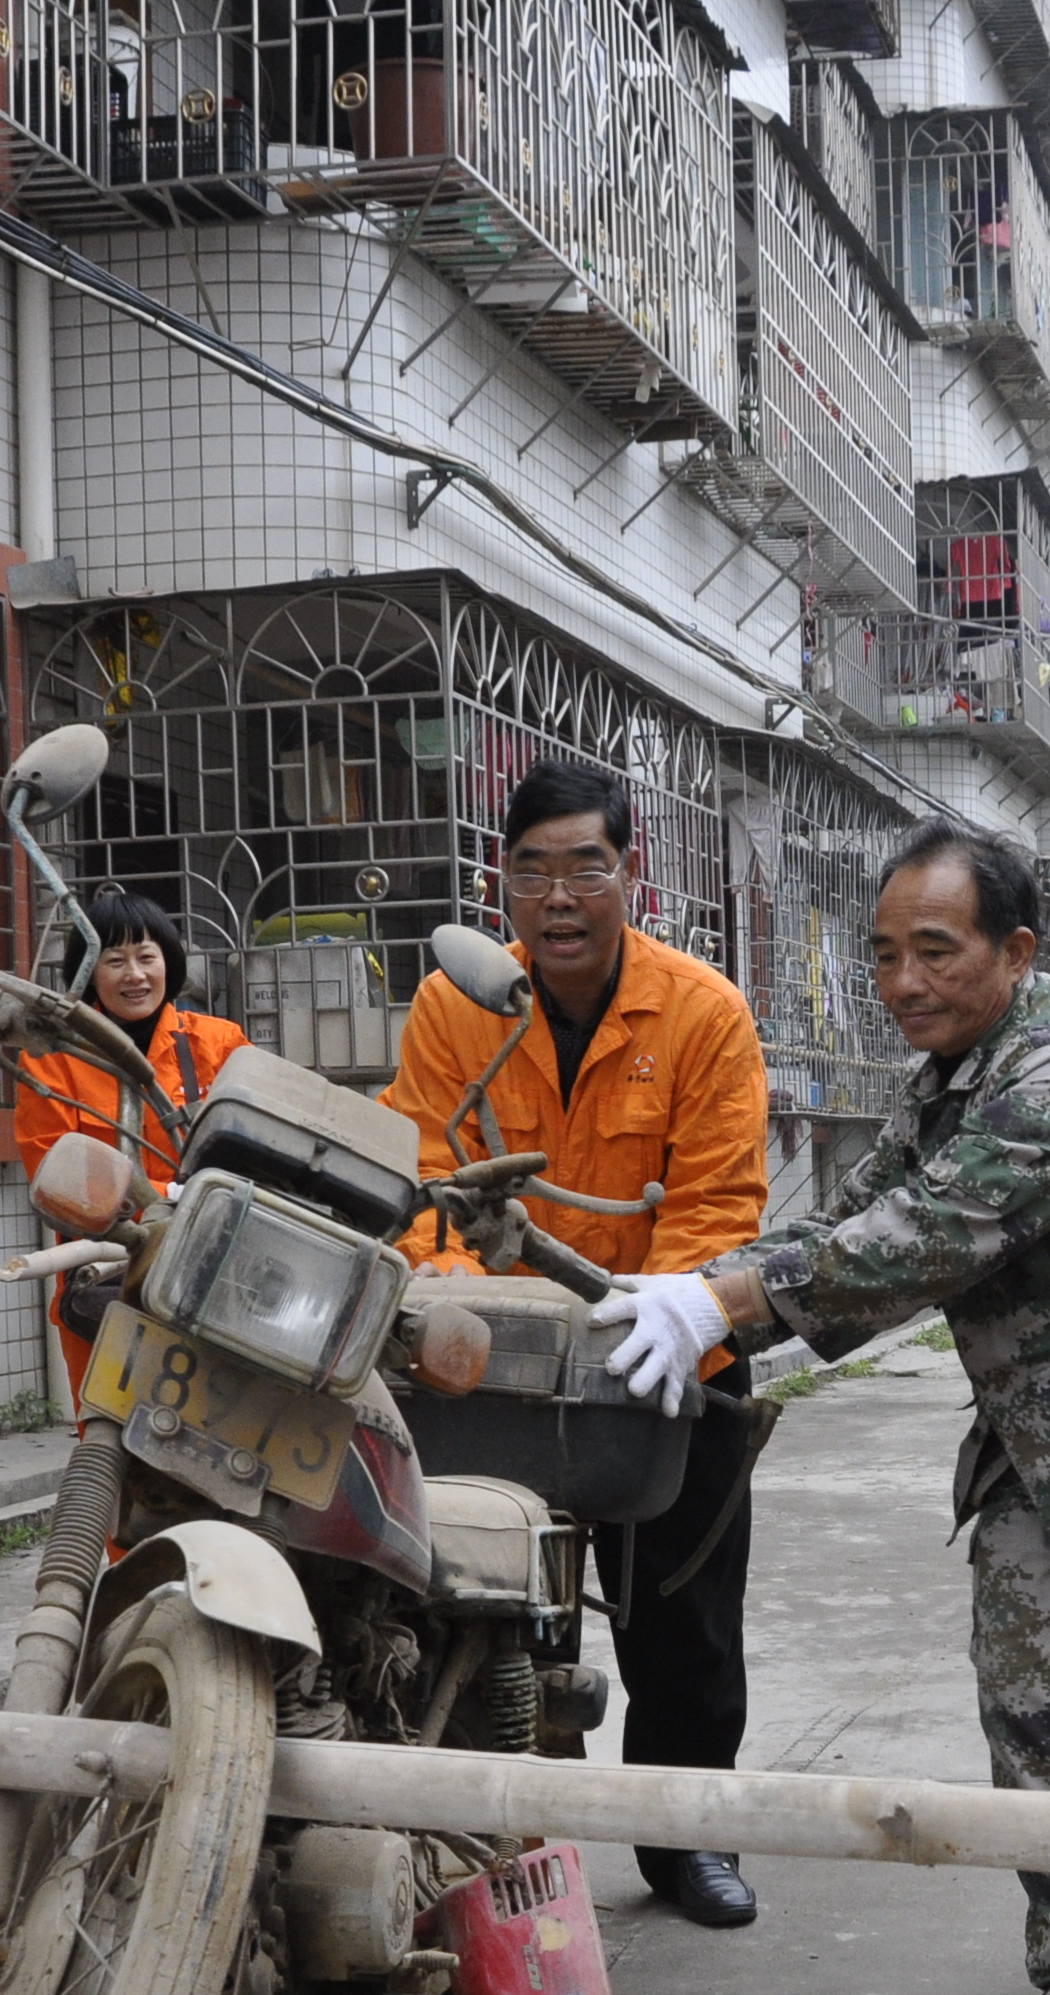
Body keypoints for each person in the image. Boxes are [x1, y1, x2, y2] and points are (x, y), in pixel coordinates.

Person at [594, 822, 1050, 1995]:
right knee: (1033, 1696)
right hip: (1037, 1450)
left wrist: (725, 1304)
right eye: (882, 956)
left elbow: (930, 1234)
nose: (903, 982)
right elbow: (865, 1223)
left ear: (1016, 952)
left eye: (935, 950)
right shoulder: (942, 1087)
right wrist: (696, 1292)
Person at [384, 760, 772, 1931]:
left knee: (685, 1627)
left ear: (630, 873)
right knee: (471, 1611)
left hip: (662, 1357)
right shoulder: (455, 1005)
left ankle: (687, 1840)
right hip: (491, 1368)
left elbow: (718, 1206)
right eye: (532, 870)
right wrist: (455, 1308)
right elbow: (422, 1184)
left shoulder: (702, 1010)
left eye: (584, 868)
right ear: (502, 882)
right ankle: (485, 1846)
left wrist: (661, 1317)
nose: (557, 897)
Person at [12, 887, 251, 1396]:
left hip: (219, 1269)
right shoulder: (52, 1058)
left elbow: (265, 1138)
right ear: (87, 972)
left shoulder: (220, 1042)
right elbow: (55, 1172)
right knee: (113, 1445)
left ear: (170, 961)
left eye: (147, 956)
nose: (135, 974)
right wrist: (168, 1198)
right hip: (108, 1280)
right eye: (115, 960)